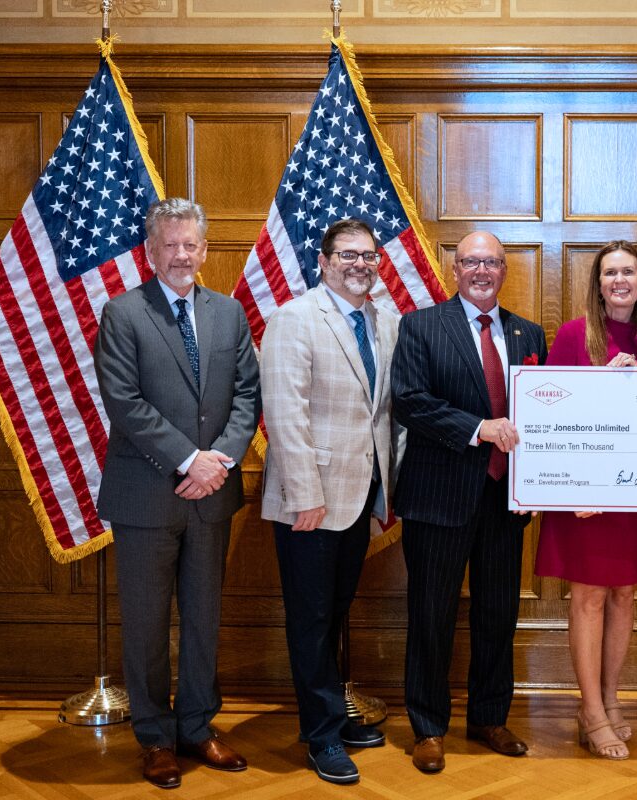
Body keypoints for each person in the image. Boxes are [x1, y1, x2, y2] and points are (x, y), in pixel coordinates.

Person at [95, 198, 260, 789]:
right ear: (151, 250)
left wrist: (218, 462)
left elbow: (247, 395)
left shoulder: (229, 313)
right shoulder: (123, 312)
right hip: (146, 496)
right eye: (170, 245)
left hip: (212, 494)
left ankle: (197, 726)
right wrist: (190, 459)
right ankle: (155, 737)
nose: (182, 255)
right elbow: (125, 402)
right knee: (144, 624)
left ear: (205, 249)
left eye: (191, 244)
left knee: (203, 618)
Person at [391, 231, 548, 774]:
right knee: (431, 613)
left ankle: (488, 716)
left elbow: (544, 419)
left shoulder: (529, 333)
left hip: (506, 499)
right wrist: (478, 428)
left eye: (492, 263)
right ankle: (428, 726)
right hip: (438, 497)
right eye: (471, 262)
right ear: (454, 269)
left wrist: (539, 484)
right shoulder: (421, 326)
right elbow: (410, 403)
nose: (482, 271)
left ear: (505, 270)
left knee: (497, 613)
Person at [260, 219, 400, 785]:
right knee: (312, 618)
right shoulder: (295, 319)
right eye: (347, 255)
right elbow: (285, 414)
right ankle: (320, 737)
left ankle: (333, 717)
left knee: (335, 613)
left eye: (368, 255)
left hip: (360, 495)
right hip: (311, 502)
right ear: (323, 261)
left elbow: (385, 414)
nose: (359, 264)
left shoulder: (386, 323)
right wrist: (305, 496)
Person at [534, 241, 637, 760]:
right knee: (589, 597)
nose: (620, 280)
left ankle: (611, 697)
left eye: (629, 272)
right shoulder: (575, 335)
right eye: (610, 272)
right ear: (597, 284)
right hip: (586, 497)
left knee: (624, 595)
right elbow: (550, 416)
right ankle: (590, 708)